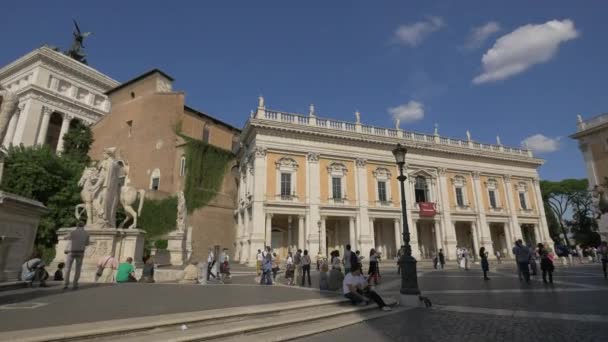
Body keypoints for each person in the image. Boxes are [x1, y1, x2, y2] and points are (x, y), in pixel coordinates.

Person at [63, 223, 90, 290]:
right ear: (83, 226)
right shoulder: (86, 233)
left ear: (77, 226)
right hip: (80, 252)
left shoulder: (73, 232)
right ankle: (75, 284)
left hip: (71, 251)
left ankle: (66, 284)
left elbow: (65, 237)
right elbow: (87, 243)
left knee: (67, 268)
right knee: (78, 269)